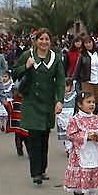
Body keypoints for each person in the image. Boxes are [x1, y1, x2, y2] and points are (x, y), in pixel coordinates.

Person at [13, 28, 65, 185]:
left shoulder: (55, 58)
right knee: (34, 136)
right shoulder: (27, 56)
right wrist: (26, 67)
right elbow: (14, 73)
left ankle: (42, 169)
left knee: (44, 137)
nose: (44, 42)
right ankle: (35, 172)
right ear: (35, 41)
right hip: (31, 102)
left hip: (47, 102)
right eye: (40, 39)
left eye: (46, 39)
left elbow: (60, 81)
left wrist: (59, 100)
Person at [63, 91, 98, 195]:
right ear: (80, 104)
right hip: (80, 153)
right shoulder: (75, 120)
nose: (92, 104)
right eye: (88, 102)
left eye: (93, 102)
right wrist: (86, 136)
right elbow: (70, 134)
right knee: (81, 174)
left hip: (94, 152)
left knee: (94, 174)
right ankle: (78, 192)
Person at [72, 35, 98, 112]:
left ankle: (94, 120)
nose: (88, 44)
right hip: (87, 82)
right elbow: (77, 69)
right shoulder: (82, 55)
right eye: (86, 43)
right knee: (88, 102)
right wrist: (73, 80)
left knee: (96, 103)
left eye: (89, 42)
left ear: (93, 43)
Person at [4, 85, 29, 156]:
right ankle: (21, 150)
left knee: (23, 139)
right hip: (20, 124)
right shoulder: (15, 102)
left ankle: (22, 150)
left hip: (22, 124)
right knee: (21, 139)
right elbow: (9, 108)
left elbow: (9, 109)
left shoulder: (26, 102)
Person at [56, 78, 77, 153]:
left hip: (71, 115)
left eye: (67, 86)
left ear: (71, 86)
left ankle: (71, 147)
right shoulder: (59, 96)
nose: (65, 88)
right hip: (62, 115)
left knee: (71, 132)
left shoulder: (74, 95)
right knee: (65, 133)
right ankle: (68, 148)